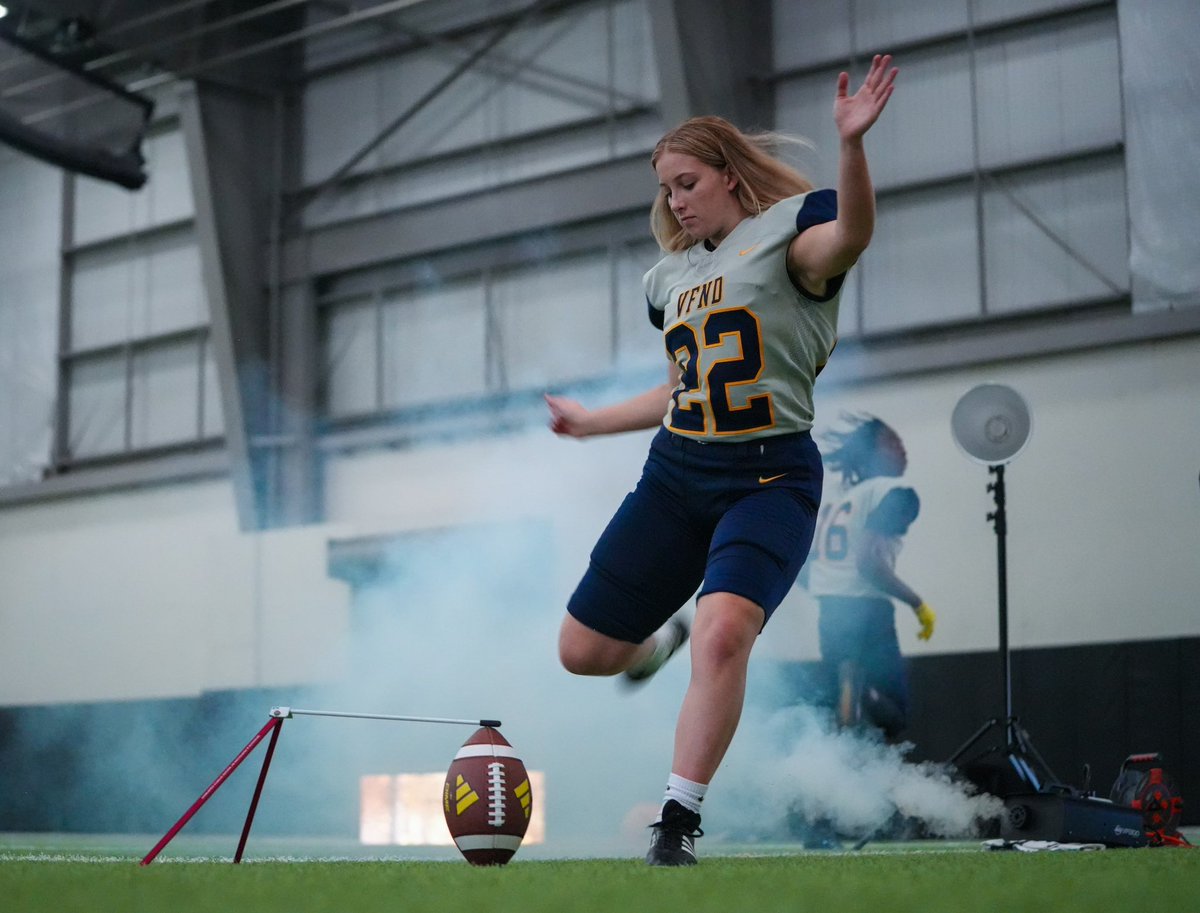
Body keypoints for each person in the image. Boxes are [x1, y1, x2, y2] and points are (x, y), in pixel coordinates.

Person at [544, 54, 899, 866]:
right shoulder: (670, 278)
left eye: (687, 181)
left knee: (725, 631)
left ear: (732, 177)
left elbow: (852, 233)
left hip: (770, 473)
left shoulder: (790, 236)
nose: (675, 199)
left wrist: (852, 147)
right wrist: (592, 423)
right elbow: (679, 388)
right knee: (583, 652)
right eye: (666, 186)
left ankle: (678, 819)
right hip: (678, 473)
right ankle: (657, 641)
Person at [804, 414, 936, 742]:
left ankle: (850, 702)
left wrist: (829, 587)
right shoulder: (896, 492)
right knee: (893, 714)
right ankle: (861, 695)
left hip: (830, 612)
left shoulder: (836, 501)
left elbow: (803, 567)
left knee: (844, 726)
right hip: (868, 613)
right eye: (894, 442)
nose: (903, 449)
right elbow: (868, 563)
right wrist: (917, 604)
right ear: (872, 452)